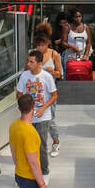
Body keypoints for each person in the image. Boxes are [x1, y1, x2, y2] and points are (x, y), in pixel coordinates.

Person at [16, 49, 57, 175]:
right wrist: (24, 108)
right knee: (26, 146)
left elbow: (54, 95)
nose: (28, 64)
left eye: (31, 62)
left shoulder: (47, 77)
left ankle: (44, 172)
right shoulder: (24, 75)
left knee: (41, 146)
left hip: (42, 117)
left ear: (40, 63)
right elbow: (19, 93)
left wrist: (43, 108)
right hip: (27, 118)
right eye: (28, 61)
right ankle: (29, 170)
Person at [33, 29, 63, 157]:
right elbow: (26, 70)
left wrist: (52, 71)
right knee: (35, 119)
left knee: (50, 119)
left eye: (42, 44)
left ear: (47, 44)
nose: (40, 47)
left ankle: (56, 142)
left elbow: (60, 73)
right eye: (38, 45)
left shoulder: (54, 54)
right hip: (36, 92)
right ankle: (37, 146)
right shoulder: (33, 55)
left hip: (50, 92)